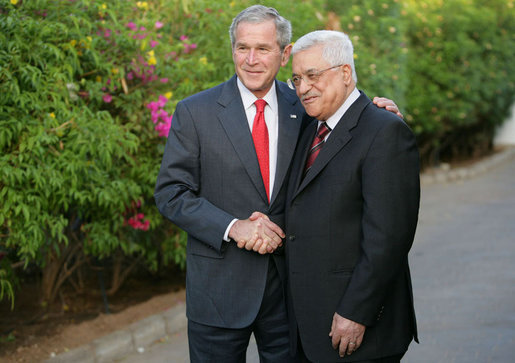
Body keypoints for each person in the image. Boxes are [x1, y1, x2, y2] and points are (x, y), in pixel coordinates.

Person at [154, 6, 401, 362]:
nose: (251, 59)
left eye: (263, 48)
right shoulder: (195, 112)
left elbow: (351, 129)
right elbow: (171, 193)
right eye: (242, 48)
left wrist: (380, 117)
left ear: (285, 54)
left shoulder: (306, 106)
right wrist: (232, 226)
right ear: (233, 50)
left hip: (292, 292)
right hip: (218, 291)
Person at [284, 30, 420, 362]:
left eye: (312, 75)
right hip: (306, 328)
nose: (302, 88)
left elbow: (388, 238)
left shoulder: (385, 131)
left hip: (356, 329)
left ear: (345, 73)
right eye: (296, 79)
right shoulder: (308, 128)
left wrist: (357, 312)